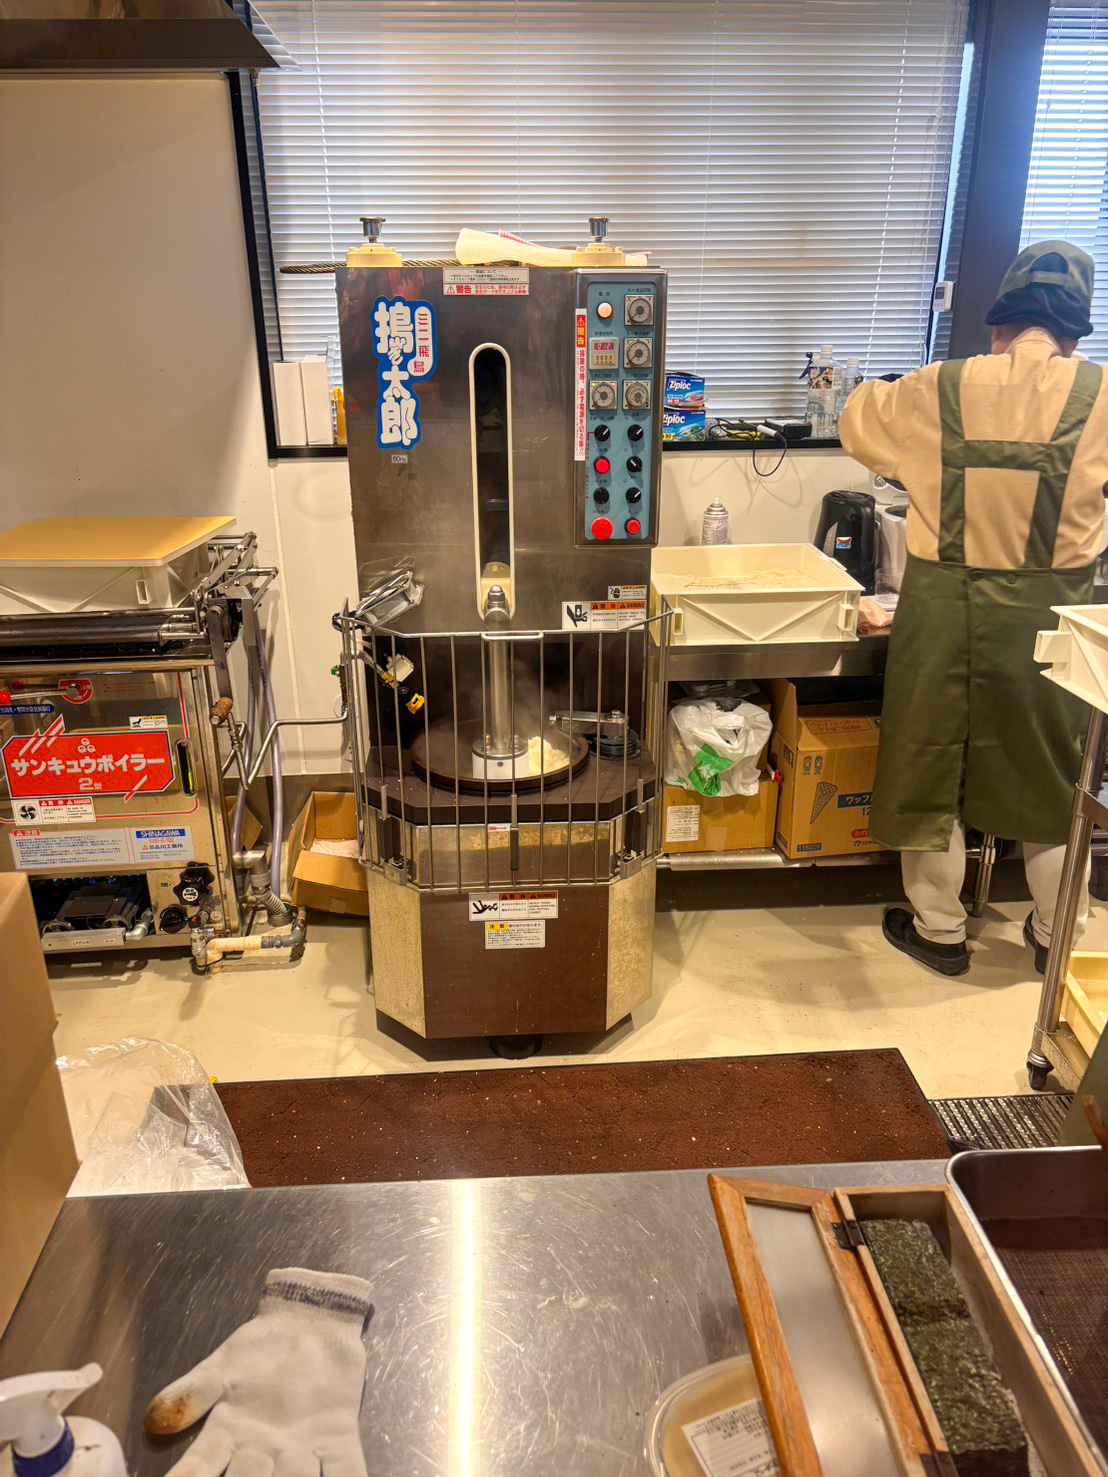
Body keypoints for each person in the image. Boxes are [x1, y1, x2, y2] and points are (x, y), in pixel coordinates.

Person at [839, 240, 1108, 976]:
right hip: (1051, 620)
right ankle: (1056, 935)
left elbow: (857, 415)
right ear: (1074, 332)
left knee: (929, 763)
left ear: (999, 324)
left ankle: (940, 931)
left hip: (942, 611)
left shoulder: (938, 386)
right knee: (1050, 773)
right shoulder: (1101, 394)